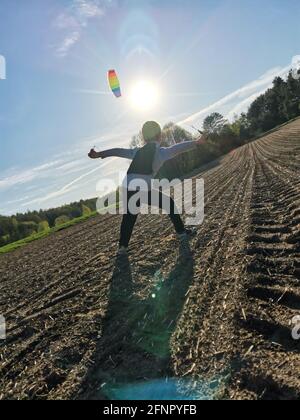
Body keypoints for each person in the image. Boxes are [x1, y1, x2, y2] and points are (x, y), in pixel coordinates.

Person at [88, 121, 206, 256]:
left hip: (127, 186)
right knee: (168, 203)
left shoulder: (136, 151)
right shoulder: (161, 152)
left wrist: (98, 154)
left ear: (144, 138)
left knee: (129, 217)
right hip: (143, 187)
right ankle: (182, 233)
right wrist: (196, 142)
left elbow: (118, 151)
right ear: (160, 136)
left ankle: (122, 248)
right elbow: (178, 148)